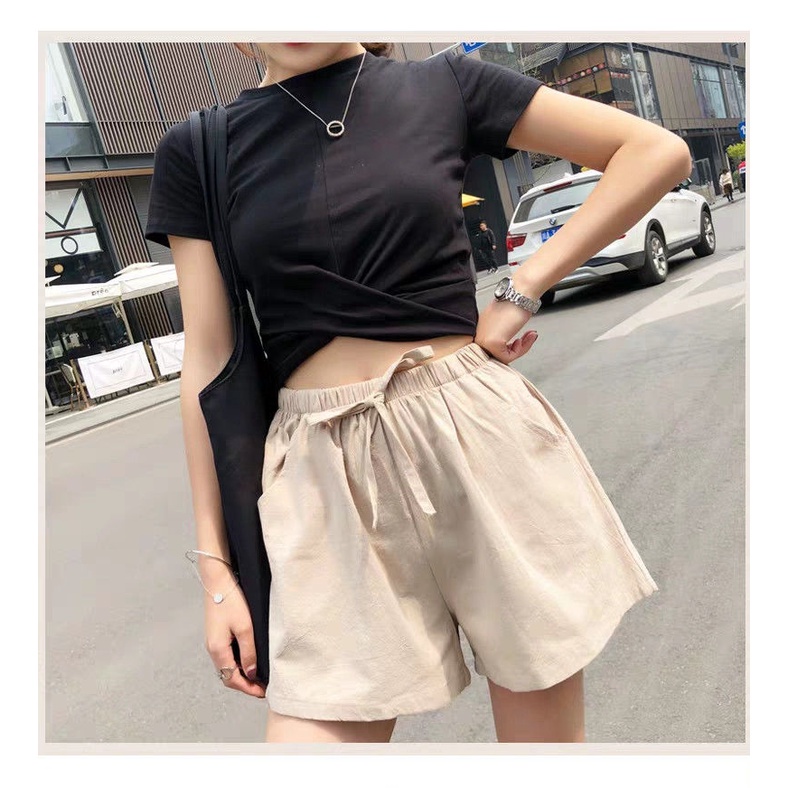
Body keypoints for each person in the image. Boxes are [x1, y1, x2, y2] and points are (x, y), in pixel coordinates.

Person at [146, 41, 690, 744]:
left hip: (475, 435)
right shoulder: (201, 149)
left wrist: (524, 288)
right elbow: (208, 360)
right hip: (320, 472)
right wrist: (216, 569)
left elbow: (654, 151)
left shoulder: (445, 83)